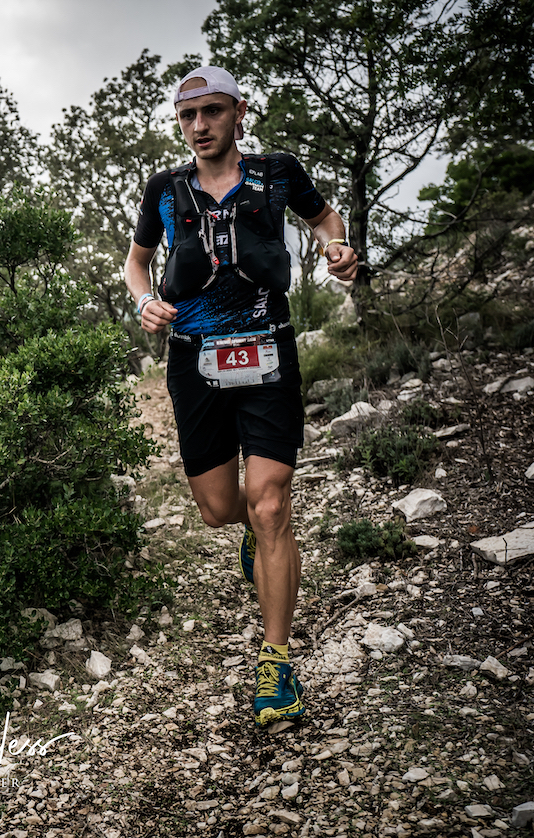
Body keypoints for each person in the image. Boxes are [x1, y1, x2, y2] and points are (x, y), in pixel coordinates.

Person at [124, 65, 358, 727]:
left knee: (271, 503)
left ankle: (276, 663)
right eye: (188, 115)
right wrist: (144, 302)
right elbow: (137, 262)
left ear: (238, 112)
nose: (200, 126)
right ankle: (252, 535)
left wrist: (338, 246)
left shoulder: (277, 173)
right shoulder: (165, 189)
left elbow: (325, 217)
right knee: (220, 510)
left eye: (213, 111)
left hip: (268, 351)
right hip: (194, 361)